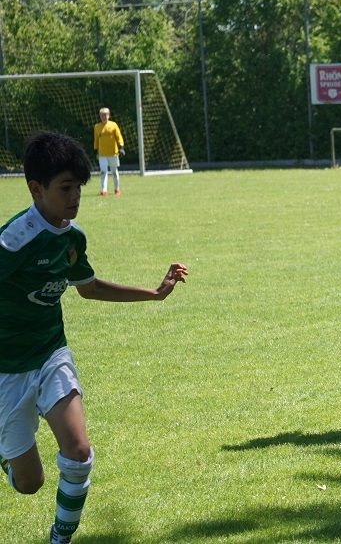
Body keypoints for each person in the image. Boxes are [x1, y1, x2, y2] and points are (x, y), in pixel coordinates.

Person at [0, 131, 188, 544]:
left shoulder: (72, 237)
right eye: (64, 188)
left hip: (50, 354)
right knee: (29, 483)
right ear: (35, 189)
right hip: (7, 370)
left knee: (80, 452)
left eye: (78, 188)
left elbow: (89, 288)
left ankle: (60, 538)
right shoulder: (14, 241)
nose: (75, 198)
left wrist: (154, 293)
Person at [93, 107, 124, 196]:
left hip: (113, 153)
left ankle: (117, 189)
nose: (104, 117)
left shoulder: (113, 125)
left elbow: (119, 137)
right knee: (103, 171)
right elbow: (96, 139)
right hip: (102, 154)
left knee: (114, 172)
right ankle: (104, 190)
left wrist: (121, 147)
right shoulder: (97, 127)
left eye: (106, 115)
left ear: (109, 115)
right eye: (102, 115)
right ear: (100, 116)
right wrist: (95, 149)